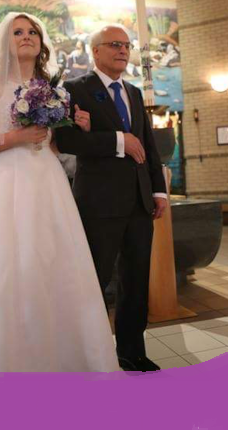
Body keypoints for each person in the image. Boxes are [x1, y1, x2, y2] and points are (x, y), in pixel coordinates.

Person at [0, 13, 120, 374]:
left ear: (41, 42)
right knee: (9, 260)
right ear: (5, 41)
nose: (26, 36)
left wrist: (80, 127)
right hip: (6, 183)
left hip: (48, 182)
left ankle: (69, 354)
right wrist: (14, 137)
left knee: (53, 258)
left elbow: (54, 147)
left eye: (32, 31)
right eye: (18, 32)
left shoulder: (52, 87)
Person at [55, 24, 167, 372]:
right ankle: (89, 353)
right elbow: (66, 142)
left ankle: (131, 352)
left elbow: (147, 144)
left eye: (126, 45)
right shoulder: (74, 89)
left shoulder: (133, 92)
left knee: (135, 282)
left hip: (138, 202)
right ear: (96, 51)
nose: (122, 50)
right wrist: (118, 141)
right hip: (98, 203)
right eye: (114, 44)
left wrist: (158, 190)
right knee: (95, 281)